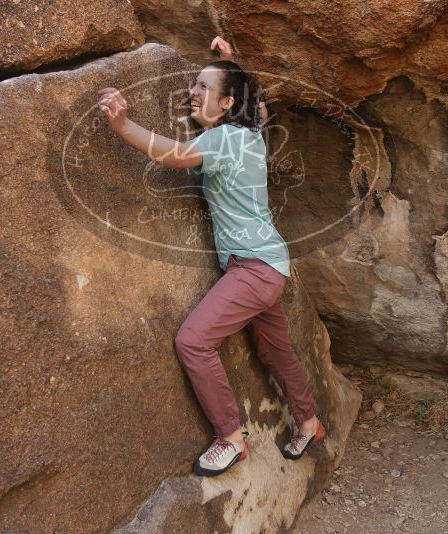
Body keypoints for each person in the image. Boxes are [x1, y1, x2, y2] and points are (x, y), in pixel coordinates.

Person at [98, 36, 325, 478]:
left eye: (203, 88)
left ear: (225, 104)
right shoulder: (251, 133)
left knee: (194, 342)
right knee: (277, 352)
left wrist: (123, 125)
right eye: (193, 86)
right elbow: (253, 101)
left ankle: (231, 439)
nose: (191, 93)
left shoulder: (223, 138)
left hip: (253, 269)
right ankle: (310, 424)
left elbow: (173, 156)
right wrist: (227, 61)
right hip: (269, 263)